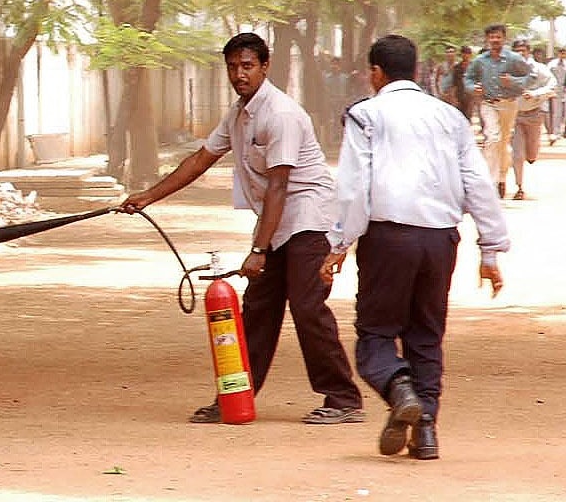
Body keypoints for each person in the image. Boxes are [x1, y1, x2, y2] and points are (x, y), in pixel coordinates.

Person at [120, 32, 364, 425]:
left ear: (264, 67)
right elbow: (200, 160)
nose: (239, 74)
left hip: (308, 219)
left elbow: (281, 185)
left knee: (306, 307)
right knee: (257, 311)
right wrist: (149, 196)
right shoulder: (237, 114)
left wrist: (259, 250)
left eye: (247, 66)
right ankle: (235, 398)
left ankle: (342, 398)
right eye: (233, 67)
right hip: (277, 221)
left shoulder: (280, 114)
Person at [322, 34, 508, 461]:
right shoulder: (451, 117)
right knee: (426, 336)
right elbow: (477, 184)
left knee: (375, 335)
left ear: (375, 73)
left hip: (388, 238)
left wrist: (338, 243)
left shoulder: (366, 115)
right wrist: (491, 250)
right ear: (416, 70)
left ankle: (399, 386)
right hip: (440, 240)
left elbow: (354, 186)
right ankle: (426, 433)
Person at [463, 24, 531, 198]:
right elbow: (468, 78)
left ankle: (502, 177)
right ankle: (490, 182)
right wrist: (473, 87)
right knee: (493, 138)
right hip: (489, 103)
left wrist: (513, 81)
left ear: (504, 38)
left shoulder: (513, 58)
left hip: (509, 104)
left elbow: (530, 76)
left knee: (504, 143)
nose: (495, 40)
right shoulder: (480, 61)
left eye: (498, 37)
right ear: (487, 39)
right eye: (492, 37)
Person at [508, 39, 557, 199]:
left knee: (531, 153)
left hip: (535, 114)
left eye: (523, 50)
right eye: (517, 50)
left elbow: (552, 85)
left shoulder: (539, 69)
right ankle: (519, 187)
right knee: (517, 154)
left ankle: (532, 156)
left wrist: (535, 94)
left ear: (528, 51)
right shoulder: (509, 69)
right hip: (515, 115)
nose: (520, 53)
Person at [439, 45, 475, 121]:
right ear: (461, 55)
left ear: (470, 55)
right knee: (459, 117)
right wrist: (454, 97)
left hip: (471, 96)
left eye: (467, 53)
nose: (465, 55)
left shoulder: (474, 66)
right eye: (463, 53)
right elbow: (454, 83)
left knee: (469, 116)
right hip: (459, 96)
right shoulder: (457, 67)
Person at [547, 46, 566, 144]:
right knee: (556, 113)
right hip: (556, 91)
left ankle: (563, 132)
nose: (563, 54)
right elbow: (547, 76)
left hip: (564, 90)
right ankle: (556, 133)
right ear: (558, 53)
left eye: (564, 52)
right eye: (561, 52)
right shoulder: (552, 64)